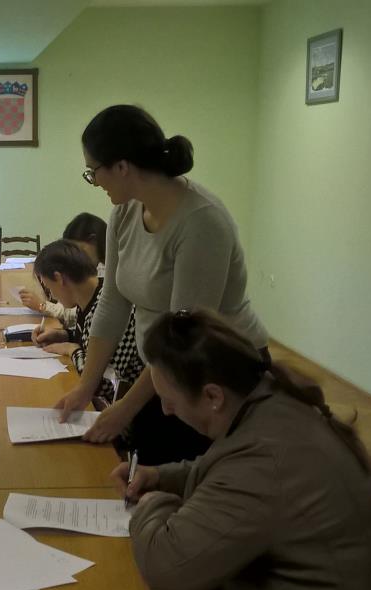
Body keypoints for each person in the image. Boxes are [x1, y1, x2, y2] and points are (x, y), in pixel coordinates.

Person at [112, 310, 371, 590]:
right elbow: (224, 471)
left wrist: (153, 503)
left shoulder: (269, 459)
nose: (165, 410)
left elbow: (165, 565)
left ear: (212, 396)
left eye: (170, 400)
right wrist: (161, 476)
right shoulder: (273, 402)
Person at [56, 104, 270, 464]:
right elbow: (112, 304)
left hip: (216, 374)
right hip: (164, 370)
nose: (96, 182)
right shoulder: (125, 212)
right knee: (142, 467)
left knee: (181, 474)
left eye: (94, 172)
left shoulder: (201, 223)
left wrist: (125, 408)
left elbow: (182, 337)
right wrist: (85, 387)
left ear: (122, 167)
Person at [30, 239, 143, 407]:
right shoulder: (93, 295)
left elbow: (104, 385)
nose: (52, 295)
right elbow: (89, 341)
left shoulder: (108, 310)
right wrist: (64, 336)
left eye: (49, 288)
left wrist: (72, 350)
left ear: (59, 278)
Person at [19, 212, 107, 320]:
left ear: (93, 240)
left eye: (78, 250)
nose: (74, 257)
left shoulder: (108, 274)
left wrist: (43, 306)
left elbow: (75, 313)